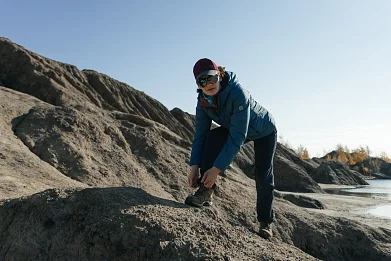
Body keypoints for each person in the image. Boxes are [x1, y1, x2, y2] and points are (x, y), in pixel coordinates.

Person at [185, 58, 277, 239]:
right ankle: (206, 191)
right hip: (233, 126)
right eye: (201, 81)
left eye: (211, 78)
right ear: (198, 85)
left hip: (263, 131)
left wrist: (216, 169)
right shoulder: (203, 101)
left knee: (263, 172)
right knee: (210, 138)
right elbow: (200, 135)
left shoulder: (238, 93)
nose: (208, 84)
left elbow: (237, 137)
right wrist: (194, 164)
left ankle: (265, 222)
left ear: (219, 74)